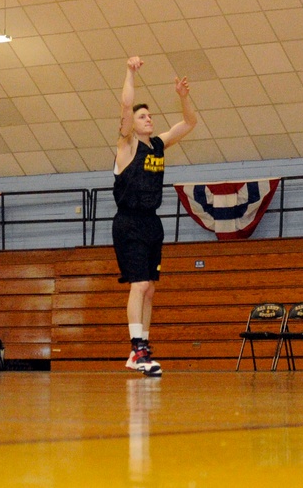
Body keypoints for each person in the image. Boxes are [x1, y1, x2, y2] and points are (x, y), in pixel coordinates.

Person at [113, 56, 199, 376]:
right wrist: (129, 73)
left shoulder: (159, 145)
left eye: (150, 115)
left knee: (149, 288)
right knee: (138, 285)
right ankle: (137, 349)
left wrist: (183, 97)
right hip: (129, 221)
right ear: (132, 123)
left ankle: (143, 347)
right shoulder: (127, 144)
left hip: (151, 222)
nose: (148, 119)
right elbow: (125, 105)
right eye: (143, 116)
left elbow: (189, 123)